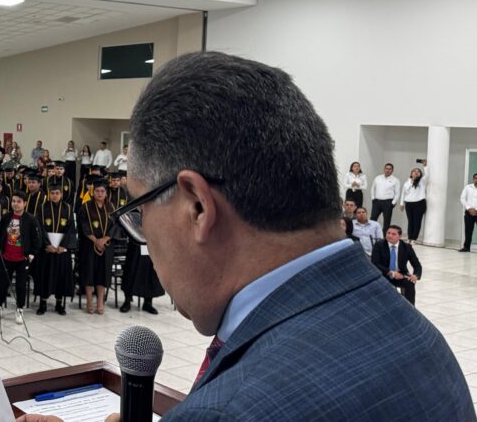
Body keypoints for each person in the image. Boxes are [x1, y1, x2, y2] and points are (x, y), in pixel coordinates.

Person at [112, 51, 472, 420]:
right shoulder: (423, 339)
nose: (145, 237)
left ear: (198, 207)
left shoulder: (227, 411)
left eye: (140, 210)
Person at [0, 191, 41, 324]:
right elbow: (0, 233)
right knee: (2, 283)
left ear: (24, 203)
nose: (15, 204)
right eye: (13, 201)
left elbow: (37, 239)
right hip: (6, 257)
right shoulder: (6, 217)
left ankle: (19, 309)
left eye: (19, 201)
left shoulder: (31, 219)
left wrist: (31, 255)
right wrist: (0, 251)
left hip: (22, 259)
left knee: (20, 286)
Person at [34, 181, 74, 316]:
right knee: (44, 275)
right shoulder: (42, 208)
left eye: (57, 193)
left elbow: (70, 229)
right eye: (52, 193)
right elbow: (39, 227)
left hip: (61, 250)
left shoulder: (68, 208)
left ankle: (59, 303)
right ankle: (43, 303)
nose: (55, 195)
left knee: (61, 276)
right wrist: (47, 245)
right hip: (47, 250)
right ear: (49, 194)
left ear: (61, 194)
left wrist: (63, 246)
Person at [77, 176, 114, 314]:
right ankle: (89, 301)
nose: (99, 193)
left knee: (102, 274)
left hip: (106, 246)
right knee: (89, 273)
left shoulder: (111, 207)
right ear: (93, 192)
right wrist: (95, 240)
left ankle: (100, 302)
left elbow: (115, 227)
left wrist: (104, 240)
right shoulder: (85, 207)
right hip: (89, 246)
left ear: (106, 193)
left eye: (102, 191)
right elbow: (84, 225)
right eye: (97, 191)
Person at [371, 225, 421, 305]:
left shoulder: (407, 247)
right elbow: (375, 263)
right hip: (383, 274)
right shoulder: (379, 245)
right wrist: (391, 273)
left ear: (400, 236)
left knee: (410, 283)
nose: (390, 235)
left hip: (401, 274)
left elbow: (417, 264)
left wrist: (416, 275)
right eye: (388, 233)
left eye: (393, 234)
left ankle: (410, 308)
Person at [398, 162, 428, 243]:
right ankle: (409, 237)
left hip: (419, 203)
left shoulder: (422, 181)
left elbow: (427, 175)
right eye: (414, 171)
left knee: (417, 221)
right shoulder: (406, 183)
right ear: (411, 173)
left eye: (418, 171)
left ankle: (414, 238)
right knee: (410, 221)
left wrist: (425, 166)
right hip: (409, 204)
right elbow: (403, 193)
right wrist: (401, 204)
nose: (416, 172)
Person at [370, 163, 400, 229]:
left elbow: (397, 193)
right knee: (373, 219)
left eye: (390, 169)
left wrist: (393, 203)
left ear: (392, 170)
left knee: (387, 221)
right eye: (386, 168)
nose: (388, 170)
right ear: (384, 169)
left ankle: (385, 237)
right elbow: (373, 188)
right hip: (377, 202)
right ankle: (371, 234)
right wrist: (373, 198)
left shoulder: (395, 180)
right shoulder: (378, 178)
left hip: (388, 202)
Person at [461, 173, 477, 253]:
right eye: (475, 178)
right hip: (469, 213)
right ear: (473, 179)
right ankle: (466, 247)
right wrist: (469, 208)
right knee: (468, 231)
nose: (476, 180)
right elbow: (462, 198)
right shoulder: (468, 187)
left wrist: (476, 210)